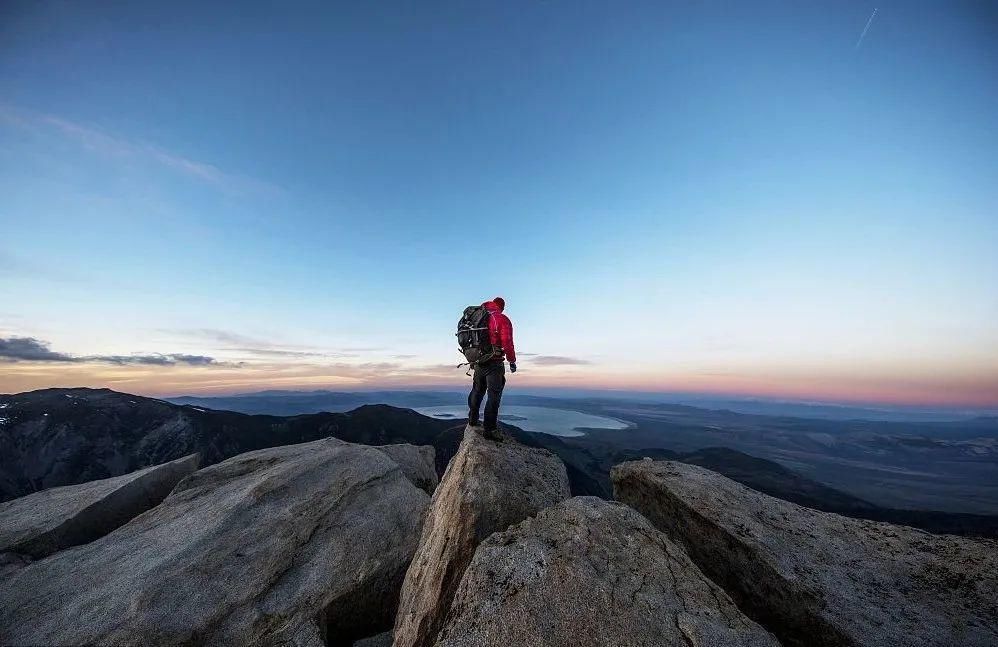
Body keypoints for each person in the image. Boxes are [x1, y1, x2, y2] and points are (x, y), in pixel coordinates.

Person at [468, 296, 516, 440]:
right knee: (494, 396)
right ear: (501, 307)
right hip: (494, 363)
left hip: (478, 361)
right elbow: (507, 342)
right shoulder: (502, 319)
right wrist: (512, 360)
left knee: (477, 390)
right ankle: (489, 430)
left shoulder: (478, 317)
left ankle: (472, 419)